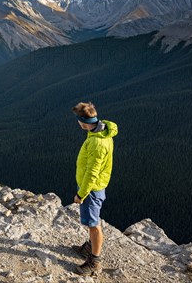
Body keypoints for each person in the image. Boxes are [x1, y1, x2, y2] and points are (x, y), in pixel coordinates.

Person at [71, 101, 118, 276]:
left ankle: (94, 261)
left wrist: (81, 194)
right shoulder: (100, 131)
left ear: (81, 122)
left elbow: (92, 173)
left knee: (93, 224)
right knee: (93, 221)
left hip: (91, 189)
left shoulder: (97, 143)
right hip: (95, 186)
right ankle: (89, 247)